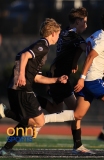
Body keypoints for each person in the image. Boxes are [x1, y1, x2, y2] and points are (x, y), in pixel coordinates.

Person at [43, 10, 104, 151]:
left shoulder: (96, 34)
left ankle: (43, 119)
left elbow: (80, 48)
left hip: (88, 80)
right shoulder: (102, 40)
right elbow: (90, 57)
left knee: (77, 115)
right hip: (93, 80)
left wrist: (74, 63)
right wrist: (82, 78)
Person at [0, 18, 67, 156]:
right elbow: (24, 56)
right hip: (22, 88)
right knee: (39, 121)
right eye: (58, 34)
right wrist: (22, 76)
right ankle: (4, 112)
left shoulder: (42, 47)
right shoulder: (43, 45)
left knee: (26, 122)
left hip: (19, 87)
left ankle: (6, 149)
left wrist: (57, 80)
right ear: (53, 33)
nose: (58, 37)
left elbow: (38, 77)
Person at [35, 7, 91, 154]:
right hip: (60, 77)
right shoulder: (74, 37)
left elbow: (76, 49)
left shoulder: (66, 32)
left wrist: (74, 61)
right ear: (78, 21)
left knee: (56, 110)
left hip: (56, 73)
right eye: (84, 22)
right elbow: (87, 49)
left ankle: (34, 100)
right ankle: (77, 145)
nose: (86, 25)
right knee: (77, 112)